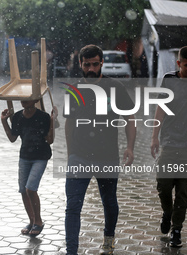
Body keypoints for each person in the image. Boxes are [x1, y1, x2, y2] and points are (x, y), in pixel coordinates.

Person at [64, 44, 136, 255]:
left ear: (101, 63)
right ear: (81, 64)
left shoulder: (115, 87)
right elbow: (69, 122)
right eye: (87, 64)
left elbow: (130, 119)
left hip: (107, 155)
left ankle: (108, 241)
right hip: (79, 156)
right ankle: (71, 251)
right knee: (73, 206)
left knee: (109, 202)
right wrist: (70, 154)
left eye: (96, 64)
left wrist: (130, 147)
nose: (91, 68)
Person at [150, 46, 187, 248]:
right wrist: (154, 137)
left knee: (182, 190)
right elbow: (161, 108)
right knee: (163, 186)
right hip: (169, 143)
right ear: (179, 63)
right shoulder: (169, 79)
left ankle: (177, 229)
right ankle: (167, 213)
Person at [1, 100, 57, 236]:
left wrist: (52, 121)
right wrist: (4, 121)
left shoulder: (43, 117)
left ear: (36, 99)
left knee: (30, 189)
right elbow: (12, 138)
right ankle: (32, 221)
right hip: (24, 157)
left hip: (40, 156)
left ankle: (38, 221)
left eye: (27, 98)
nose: (23, 101)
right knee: (23, 190)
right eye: (22, 98)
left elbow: (50, 140)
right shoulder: (19, 116)